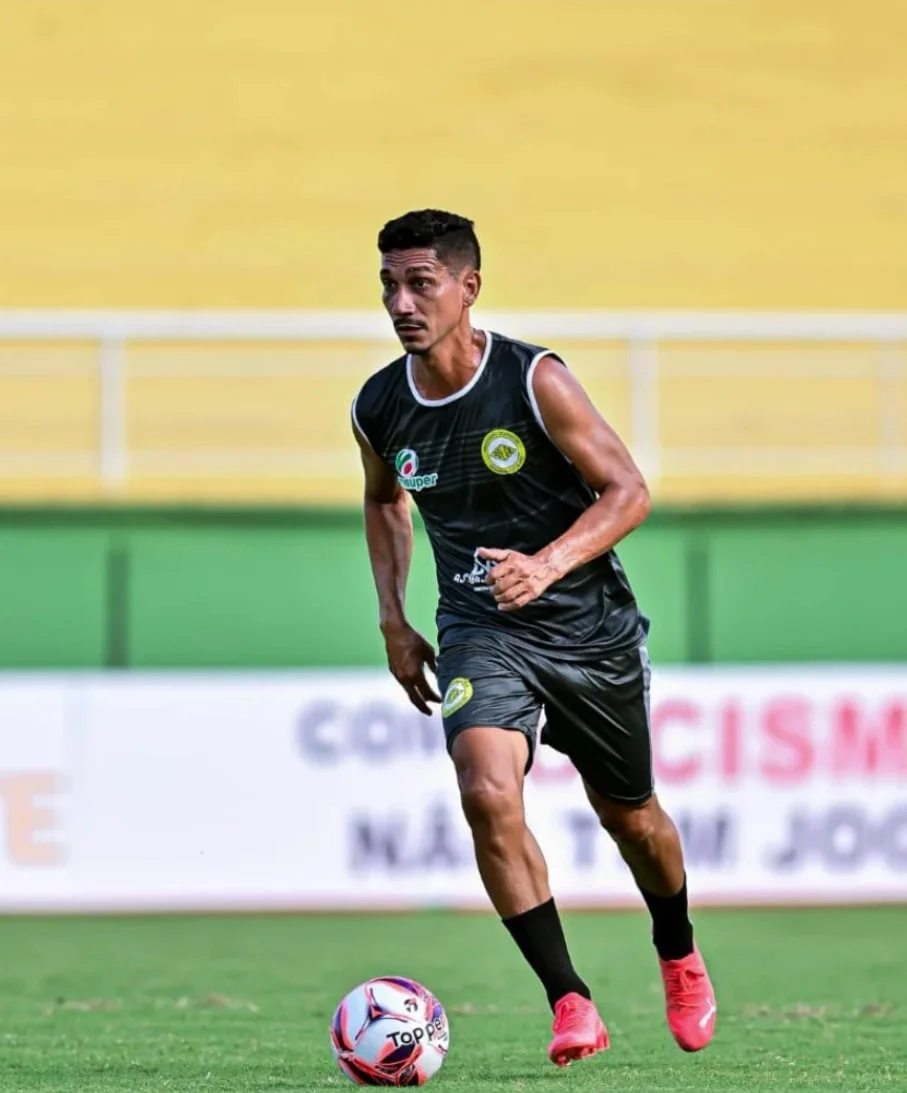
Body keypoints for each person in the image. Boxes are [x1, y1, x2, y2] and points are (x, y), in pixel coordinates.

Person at [350, 209, 717, 1066]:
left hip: (589, 631)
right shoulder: (379, 405)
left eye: (420, 284)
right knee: (485, 790)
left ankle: (678, 949)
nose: (401, 304)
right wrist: (394, 617)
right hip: (480, 627)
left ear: (468, 287)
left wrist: (546, 565)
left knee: (631, 817)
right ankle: (569, 998)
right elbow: (382, 499)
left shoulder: (534, 379)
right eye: (389, 286)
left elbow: (628, 490)